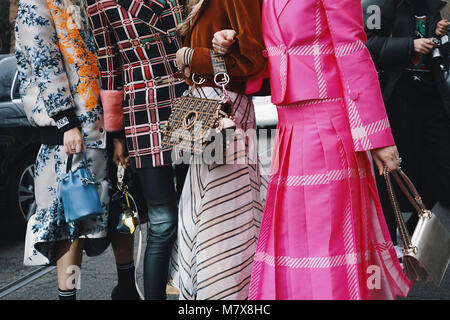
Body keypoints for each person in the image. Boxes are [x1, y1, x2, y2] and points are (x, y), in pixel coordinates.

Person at [213, 0, 411, 300]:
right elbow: (276, 55)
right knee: (295, 241)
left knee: (328, 241)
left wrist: (378, 136)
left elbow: (352, 50)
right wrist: (232, 43)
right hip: (291, 126)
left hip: (329, 124)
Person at [15, 0, 138, 300]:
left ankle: (126, 289)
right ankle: (68, 296)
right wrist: (65, 121)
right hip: (69, 138)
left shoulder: (88, 2)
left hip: (103, 130)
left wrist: (116, 129)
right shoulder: (36, 3)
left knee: (122, 214)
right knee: (72, 227)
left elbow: (110, 60)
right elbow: (43, 61)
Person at [86, 0, 191, 300]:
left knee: (199, 210)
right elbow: (109, 69)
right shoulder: (100, 3)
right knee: (162, 222)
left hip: (190, 98)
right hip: (143, 110)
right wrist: (116, 134)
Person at [168, 0, 267, 300]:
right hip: (201, 106)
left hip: (225, 107)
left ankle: (226, 293)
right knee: (199, 206)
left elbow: (253, 59)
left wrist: (193, 57)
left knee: (225, 209)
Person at [362, 0, 450, 250]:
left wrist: (439, 32)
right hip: (396, 97)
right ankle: (391, 246)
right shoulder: (378, 5)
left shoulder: (432, 5)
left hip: (432, 98)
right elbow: (367, 45)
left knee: (442, 175)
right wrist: (409, 45)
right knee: (391, 175)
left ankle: (411, 235)